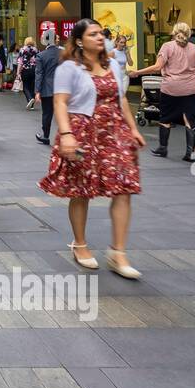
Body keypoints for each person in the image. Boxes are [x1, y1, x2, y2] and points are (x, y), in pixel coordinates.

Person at [39, 18, 146, 279]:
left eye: (101, 33)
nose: (100, 38)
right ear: (79, 40)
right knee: (82, 189)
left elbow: (121, 99)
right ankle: (80, 244)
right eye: (93, 34)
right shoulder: (70, 68)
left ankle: (118, 252)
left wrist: (132, 128)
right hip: (83, 129)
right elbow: (61, 103)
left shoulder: (112, 65)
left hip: (113, 132)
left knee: (124, 186)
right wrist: (66, 134)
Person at [132, 22, 195, 162]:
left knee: (165, 117)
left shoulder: (167, 47)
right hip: (191, 88)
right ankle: (190, 153)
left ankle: (163, 148)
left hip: (171, 88)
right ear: (189, 34)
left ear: (174, 32)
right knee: (190, 119)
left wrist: (137, 72)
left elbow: (157, 67)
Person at [34, 31, 62, 144]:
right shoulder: (63, 53)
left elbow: (39, 74)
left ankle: (45, 136)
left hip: (47, 89)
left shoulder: (41, 55)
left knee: (47, 113)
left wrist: (37, 91)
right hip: (62, 88)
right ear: (55, 40)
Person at [17, 37, 39, 109]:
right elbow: (38, 61)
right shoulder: (36, 49)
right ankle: (31, 105)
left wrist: (18, 73)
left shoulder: (22, 50)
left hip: (25, 70)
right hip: (34, 70)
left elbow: (20, 62)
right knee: (32, 86)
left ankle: (30, 99)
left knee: (25, 87)